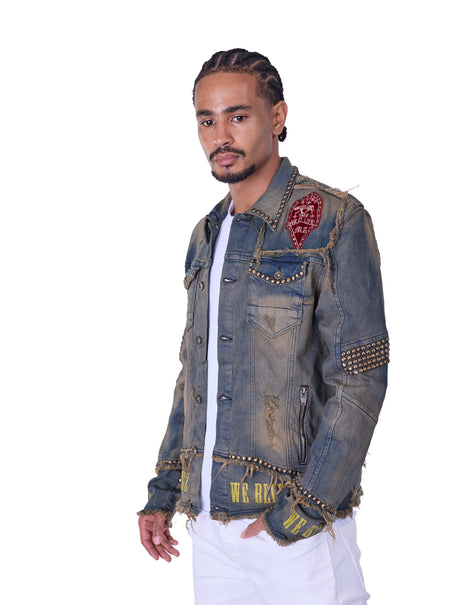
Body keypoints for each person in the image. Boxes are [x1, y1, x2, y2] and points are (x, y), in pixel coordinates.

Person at [138, 48, 389, 605]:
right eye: (207, 120)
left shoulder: (332, 220)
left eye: (238, 116)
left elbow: (360, 377)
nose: (220, 136)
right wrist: (164, 491)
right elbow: (196, 373)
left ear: (277, 117)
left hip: (296, 530)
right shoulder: (207, 233)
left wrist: (304, 510)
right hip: (211, 527)